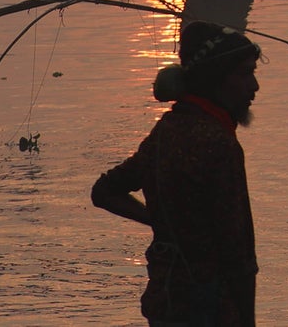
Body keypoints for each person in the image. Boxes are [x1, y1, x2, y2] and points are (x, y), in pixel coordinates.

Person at [91, 22, 262, 327]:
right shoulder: (219, 143)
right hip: (209, 305)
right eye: (244, 74)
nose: (254, 86)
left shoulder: (166, 130)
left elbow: (105, 192)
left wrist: (162, 221)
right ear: (217, 79)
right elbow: (239, 255)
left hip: (167, 298)